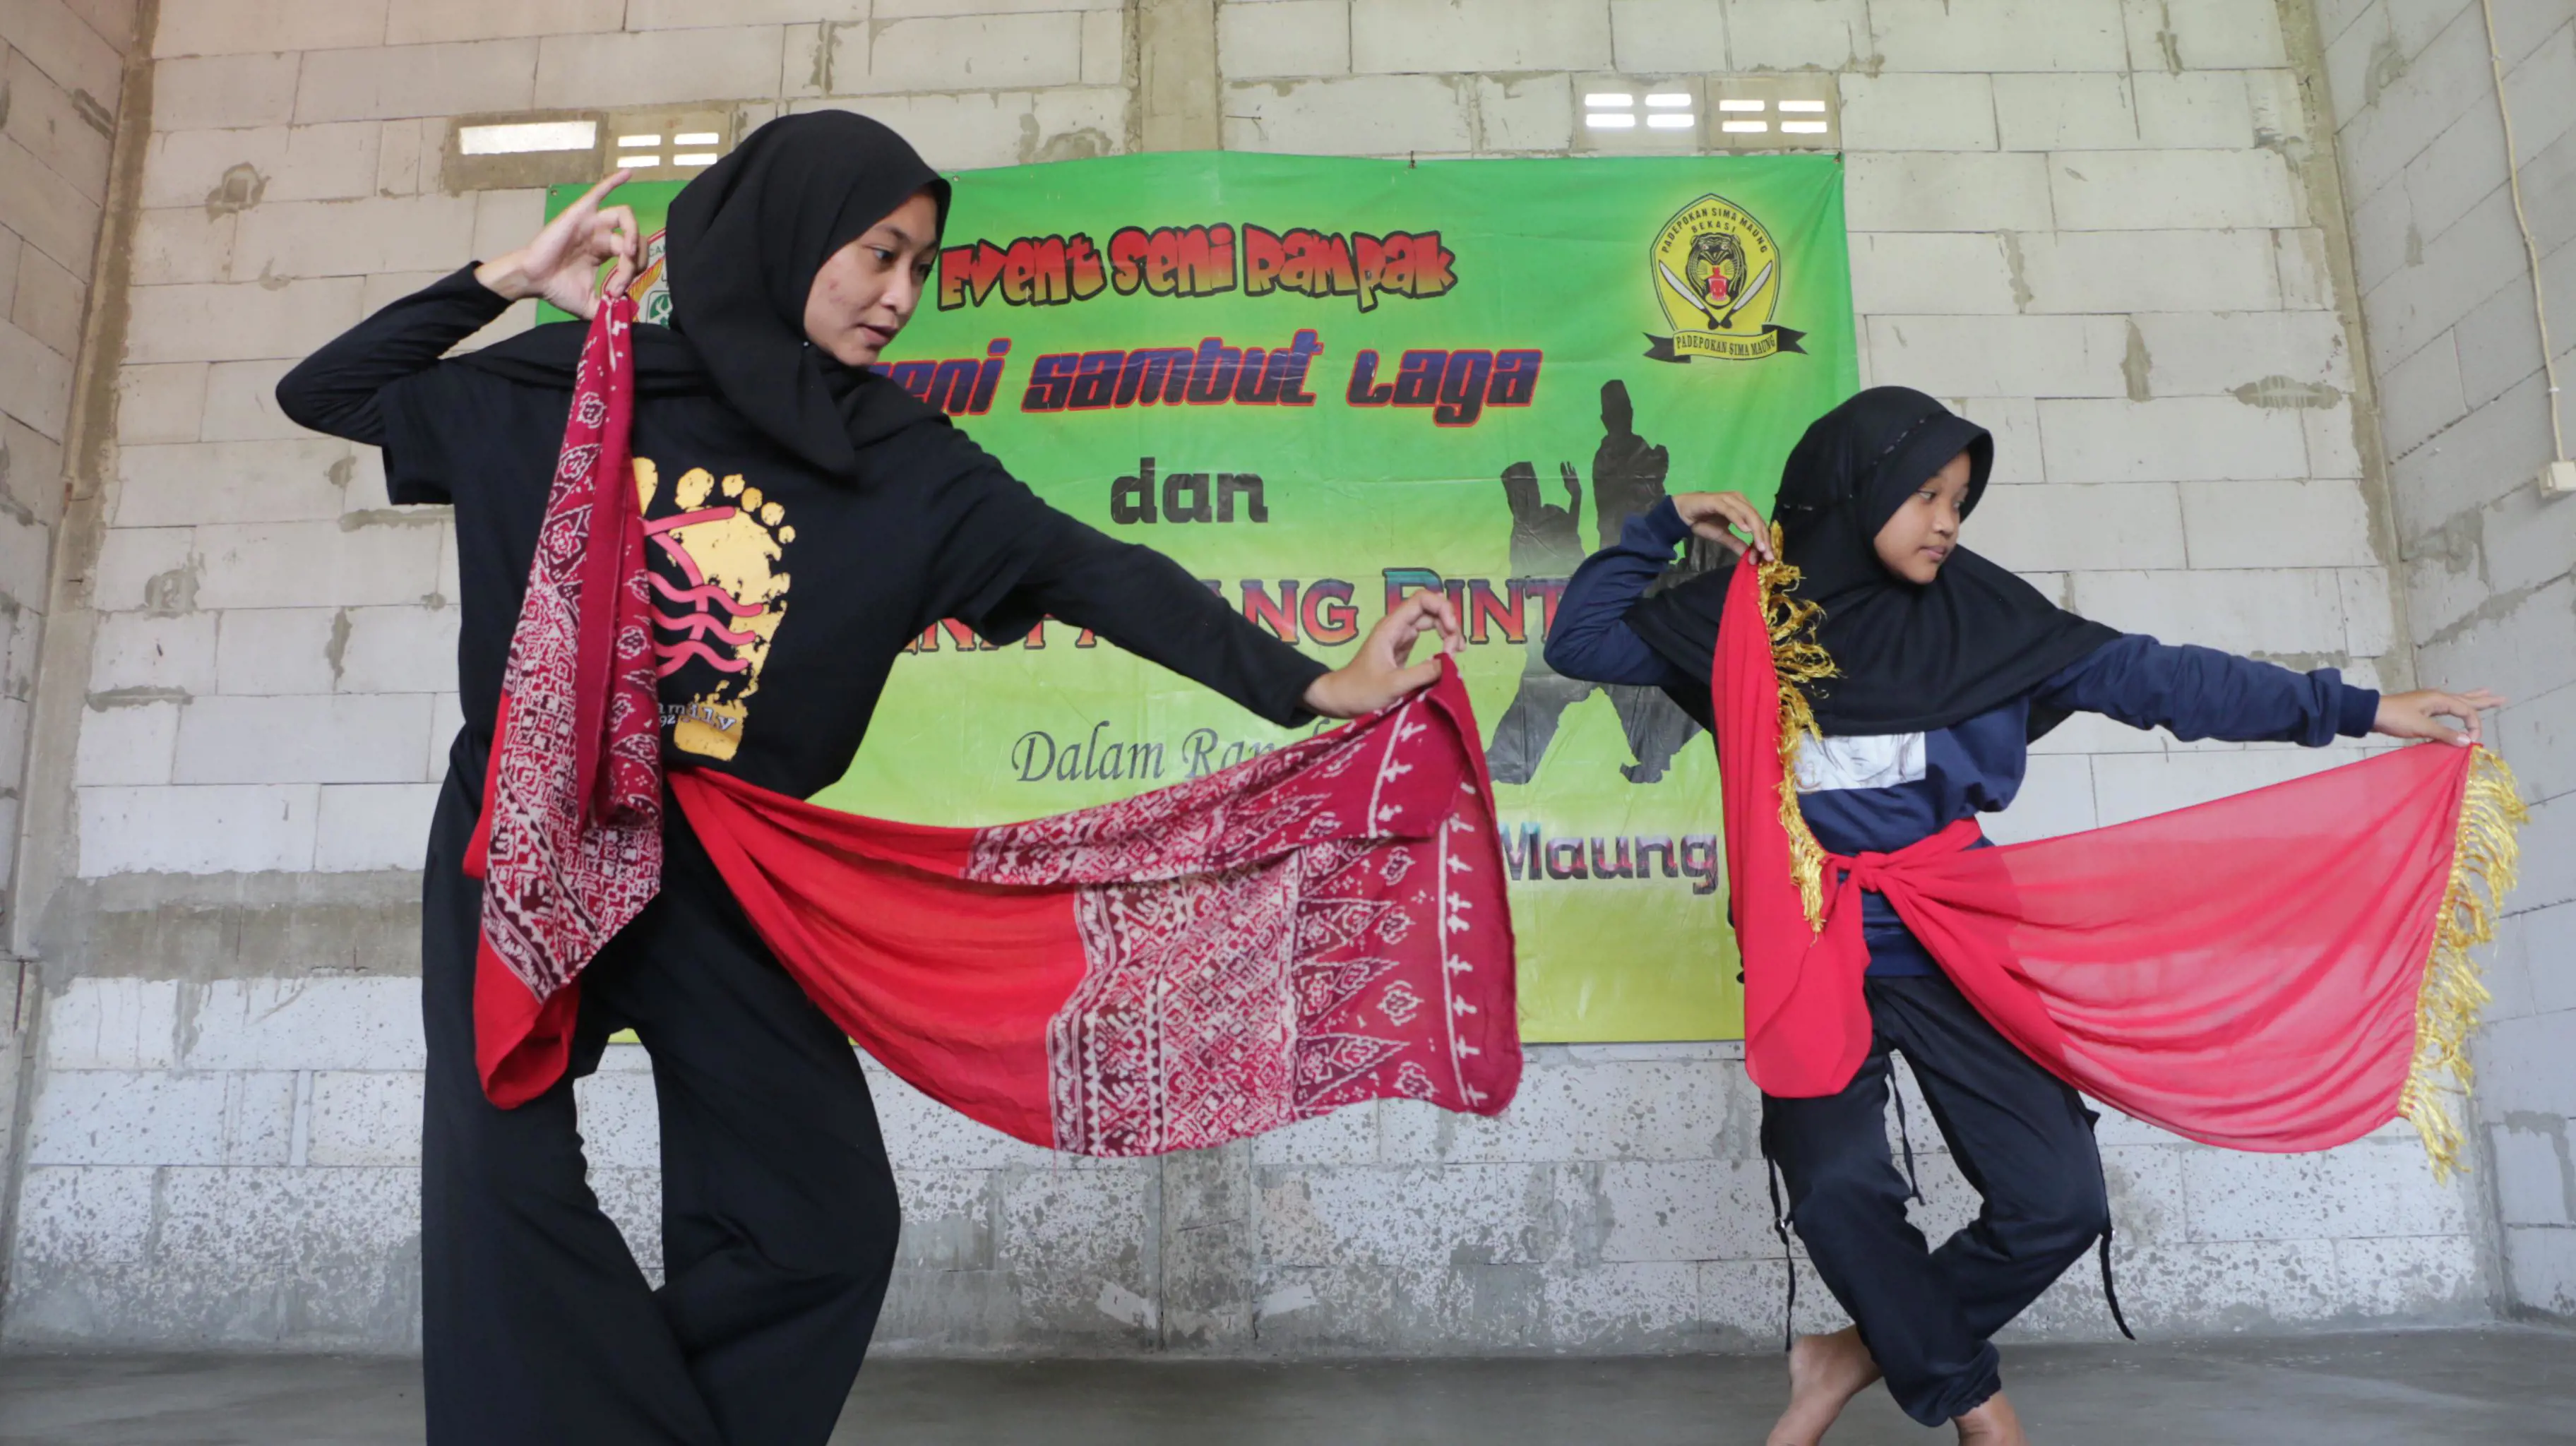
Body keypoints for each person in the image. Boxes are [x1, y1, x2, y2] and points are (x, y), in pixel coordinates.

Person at [276, 113, 1459, 1446]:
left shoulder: (901, 463)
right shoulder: (580, 385)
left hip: (727, 861)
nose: (901, 296)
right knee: (507, 1187)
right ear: (785, 238)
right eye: (879, 255)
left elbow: (1100, 573)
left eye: (921, 270)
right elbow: (325, 393)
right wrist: (507, 279)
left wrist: (1314, 685)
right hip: (530, 825)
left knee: (822, 1220)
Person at [1540, 387, 2499, 1446]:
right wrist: (1665, 524)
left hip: (1957, 940)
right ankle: (1972, 1402)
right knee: (1836, 1192)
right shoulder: (1741, 623)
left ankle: (1848, 1355)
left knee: (2058, 1203)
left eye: (1959, 498)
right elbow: (1582, 641)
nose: (1948, 520)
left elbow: (2160, 679)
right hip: (1812, 944)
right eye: (1923, 495)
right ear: (1850, 492)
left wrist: (2361, 709)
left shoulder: (1986, 622)